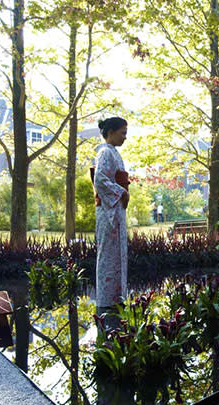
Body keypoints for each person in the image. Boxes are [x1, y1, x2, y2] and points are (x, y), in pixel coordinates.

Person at [93, 116, 129, 329]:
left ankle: (116, 296)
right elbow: (100, 180)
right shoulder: (105, 152)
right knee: (108, 253)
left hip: (116, 209)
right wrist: (121, 191)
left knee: (116, 253)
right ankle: (107, 299)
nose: (125, 137)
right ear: (112, 131)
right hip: (109, 212)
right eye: (123, 132)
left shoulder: (114, 153)